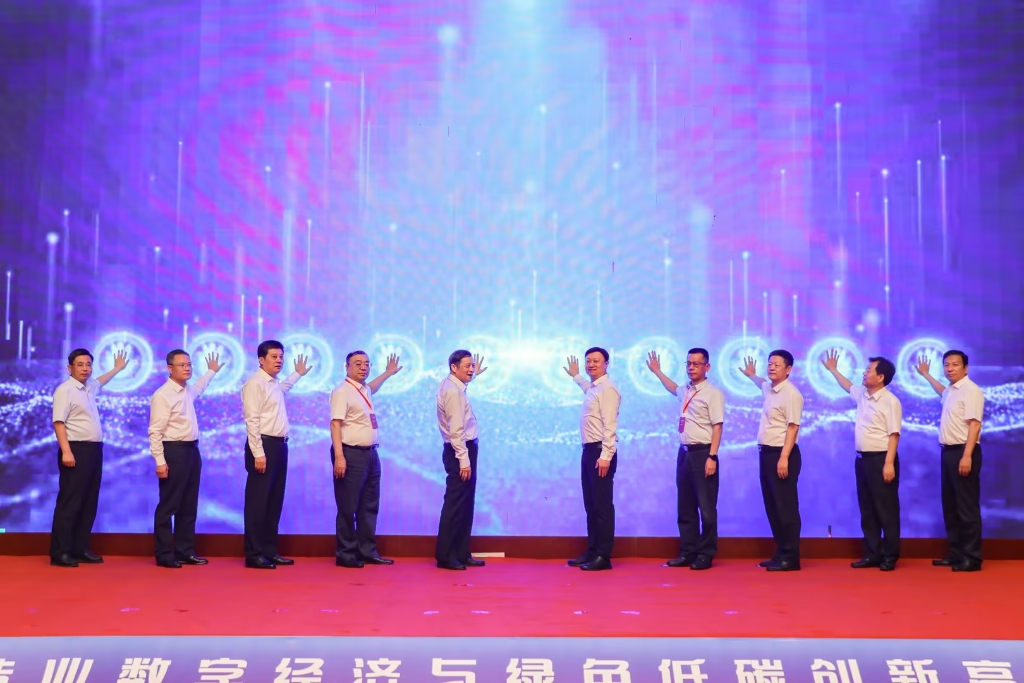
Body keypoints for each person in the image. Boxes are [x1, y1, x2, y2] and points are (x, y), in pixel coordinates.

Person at [822, 351, 902, 571]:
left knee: (886, 510)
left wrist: (889, 463)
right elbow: (847, 385)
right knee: (867, 509)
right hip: (862, 460)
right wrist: (833, 369)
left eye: (869, 370)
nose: (864, 373)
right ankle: (872, 554)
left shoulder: (890, 401)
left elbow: (894, 435)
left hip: (882, 460)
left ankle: (890, 556)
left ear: (881, 377)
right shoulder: (863, 395)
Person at [50, 347, 129, 567]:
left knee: (88, 502)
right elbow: (59, 422)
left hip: (94, 450)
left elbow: (100, 381)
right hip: (75, 450)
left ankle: (80, 548)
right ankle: (60, 552)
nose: (85, 368)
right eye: (80, 365)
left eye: (88, 364)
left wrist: (117, 368)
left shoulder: (89, 387)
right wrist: (66, 451)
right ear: (70, 368)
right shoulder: (65, 390)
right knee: (70, 502)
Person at [647, 347, 725, 570]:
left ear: (707, 367)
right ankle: (688, 551)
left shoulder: (713, 393)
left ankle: (706, 553)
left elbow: (718, 427)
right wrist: (657, 371)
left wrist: (712, 456)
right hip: (684, 454)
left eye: (696, 364)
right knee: (685, 506)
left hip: (704, 454)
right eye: (689, 363)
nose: (691, 367)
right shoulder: (687, 390)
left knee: (706, 508)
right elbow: (673, 388)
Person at [148, 349, 223, 568]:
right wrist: (160, 461)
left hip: (191, 451)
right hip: (173, 452)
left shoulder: (187, 390)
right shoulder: (163, 395)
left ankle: (185, 551)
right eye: (182, 365)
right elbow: (155, 432)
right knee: (169, 505)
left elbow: (199, 387)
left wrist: (211, 371)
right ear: (169, 368)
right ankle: (164, 554)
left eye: (189, 364)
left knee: (189, 504)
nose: (187, 368)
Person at [241, 340, 311, 569]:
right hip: (264, 446)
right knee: (258, 502)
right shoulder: (255, 384)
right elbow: (252, 420)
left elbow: (283, 389)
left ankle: (270, 551)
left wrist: (297, 374)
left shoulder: (273, 383)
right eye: (274, 357)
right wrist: (258, 453)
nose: (279, 360)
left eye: (281, 356)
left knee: (274, 501)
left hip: (280, 446)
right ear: (261, 360)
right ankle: (254, 554)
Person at [329, 351, 403, 568]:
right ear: (347, 367)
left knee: (369, 505)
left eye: (367, 364)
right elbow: (335, 424)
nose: (363, 367)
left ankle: (367, 551)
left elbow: (373, 387)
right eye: (358, 364)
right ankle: (346, 553)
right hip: (350, 454)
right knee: (348, 506)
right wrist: (339, 456)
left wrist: (388, 373)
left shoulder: (364, 390)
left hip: (371, 454)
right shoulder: (342, 391)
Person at [916, 350, 985, 572]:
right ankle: (956, 554)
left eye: (955, 364)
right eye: (946, 365)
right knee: (951, 506)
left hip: (964, 452)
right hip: (947, 452)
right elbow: (942, 392)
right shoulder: (952, 391)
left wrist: (967, 455)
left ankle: (972, 558)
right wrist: (926, 375)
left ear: (966, 368)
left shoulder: (971, 390)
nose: (950, 368)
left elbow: (975, 424)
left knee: (966, 507)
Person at [741, 350, 804, 571]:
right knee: (773, 506)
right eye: (770, 364)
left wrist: (784, 457)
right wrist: (751, 374)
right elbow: (761, 383)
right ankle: (781, 552)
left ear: (788, 369)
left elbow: (793, 428)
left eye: (777, 365)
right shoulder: (770, 388)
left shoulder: (792, 394)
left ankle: (791, 558)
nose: (771, 367)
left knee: (786, 507)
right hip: (766, 454)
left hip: (782, 455)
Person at [564, 347, 621, 572]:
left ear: (607, 364)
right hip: (589, 451)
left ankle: (603, 556)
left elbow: (610, 425)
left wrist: (606, 455)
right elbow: (588, 390)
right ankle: (593, 550)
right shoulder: (595, 388)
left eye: (596, 361)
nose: (591, 364)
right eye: (588, 361)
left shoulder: (608, 389)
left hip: (600, 453)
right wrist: (576, 376)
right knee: (591, 504)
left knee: (602, 506)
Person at [435, 350, 487, 570]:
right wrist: (464, 460)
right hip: (460, 451)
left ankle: (461, 552)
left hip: (462, 450)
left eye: (472, 366)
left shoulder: (454, 386)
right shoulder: (452, 391)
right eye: (467, 366)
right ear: (453, 367)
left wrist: (473, 376)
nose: (471, 369)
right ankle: (446, 556)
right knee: (456, 504)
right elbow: (456, 430)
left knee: (465, 504)